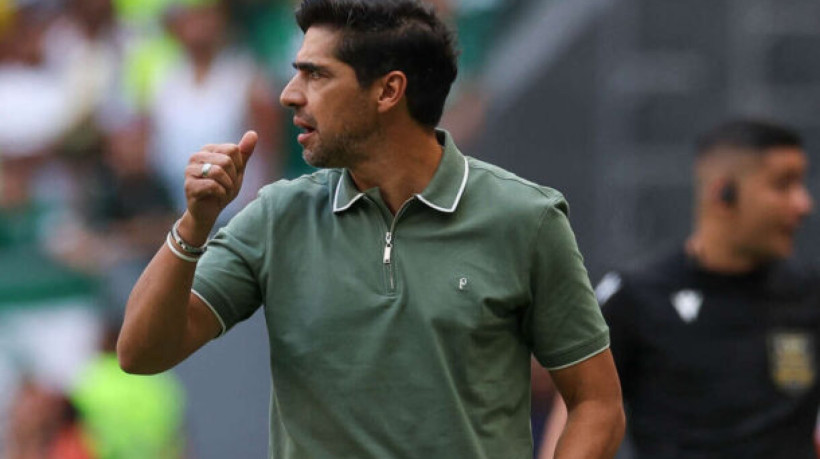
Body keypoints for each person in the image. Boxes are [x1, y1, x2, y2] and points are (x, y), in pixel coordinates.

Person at [117, 1, 625, 457]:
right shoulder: (275, 217)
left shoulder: (526, 218)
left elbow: (597, 404)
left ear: (388, 91)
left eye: (316, 75)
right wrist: (194, 225)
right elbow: (141, 352)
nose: (289, 95)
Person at [543, 119, 817, 458]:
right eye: (783, 185)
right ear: (723, 194)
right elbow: (579, 417)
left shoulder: (809, 295)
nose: (803, 204)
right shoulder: (635, 297)